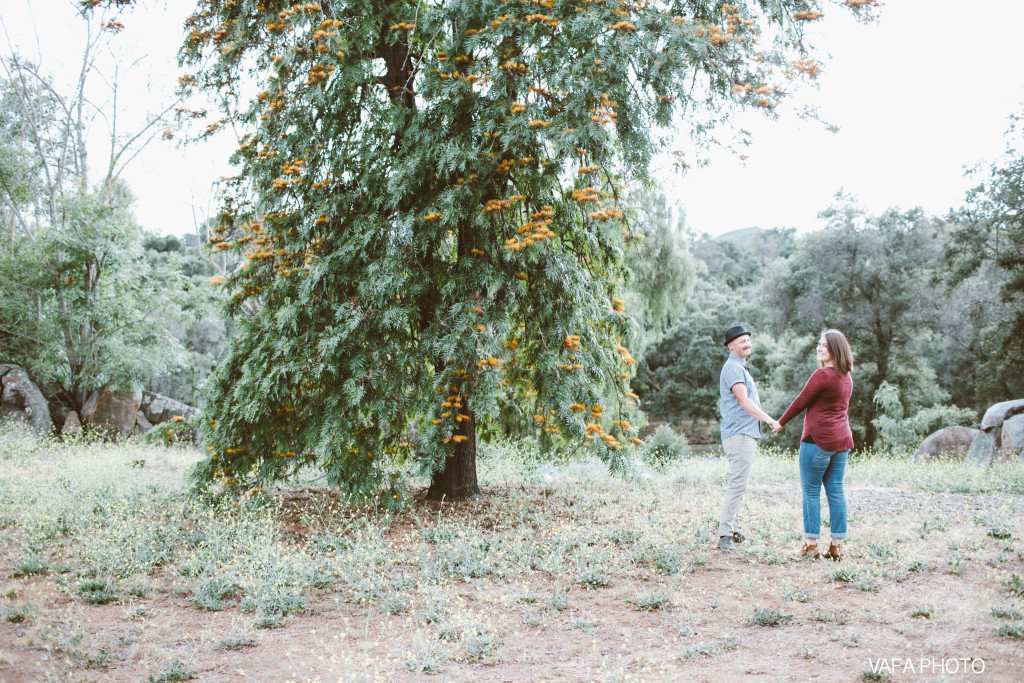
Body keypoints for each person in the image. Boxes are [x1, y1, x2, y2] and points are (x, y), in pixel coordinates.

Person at [773, 329, 854, 561]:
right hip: (842, 442)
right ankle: (836, 546)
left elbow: (801, 401)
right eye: (819, 344)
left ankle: (811, 545)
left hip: (818, 440)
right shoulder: (846, 376)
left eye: (824, 346)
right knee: (836, 490)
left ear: (835, 350)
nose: (819, 348)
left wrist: (780, 423)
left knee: (810, 491)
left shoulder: (823, 375)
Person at [717, 325, 779, 552]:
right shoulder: (733, 368)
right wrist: (770, 420)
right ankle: (724, 535)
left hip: (744, 433)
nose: (747, 344)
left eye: (748, 340)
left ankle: (730, 528)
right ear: (730, 346)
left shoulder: (739, 367)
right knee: (737, 484)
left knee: (740, 484)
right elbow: (744, 401)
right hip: (739, 434)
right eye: (742, 341)